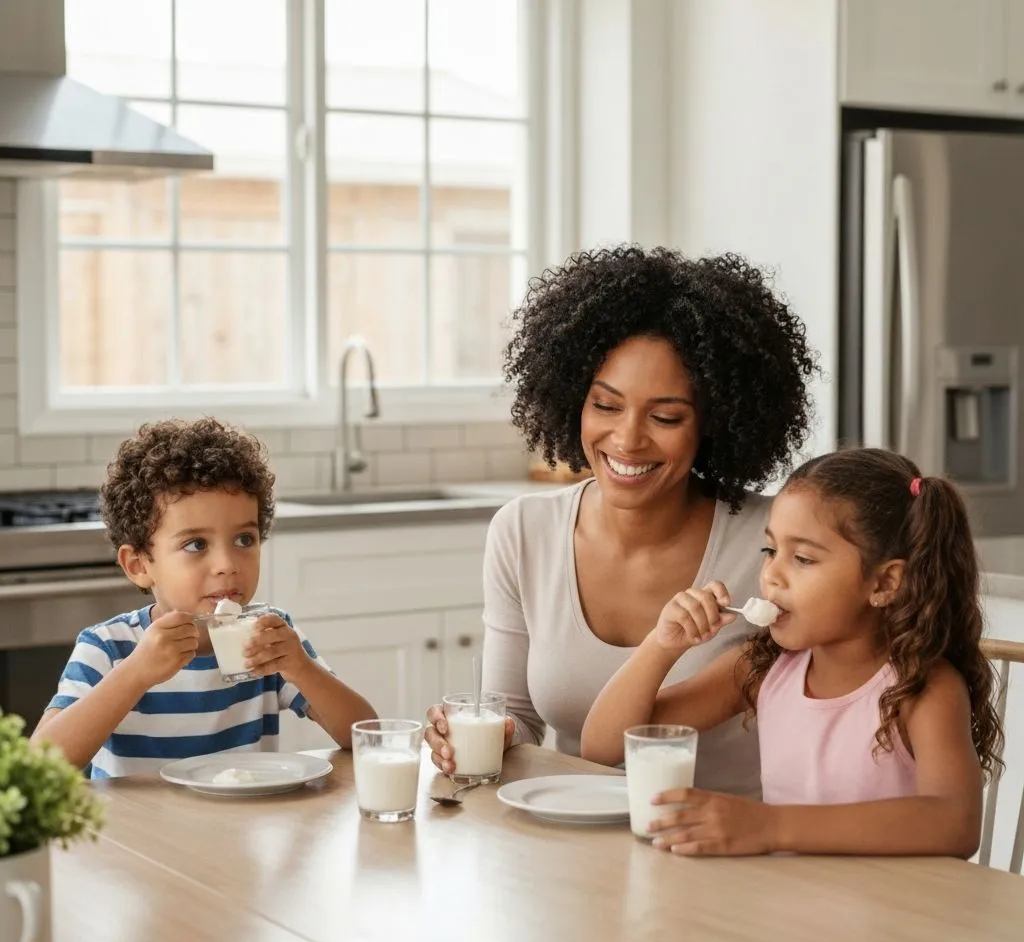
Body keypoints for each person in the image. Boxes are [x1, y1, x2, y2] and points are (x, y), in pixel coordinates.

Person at [425, 246, 819, 796]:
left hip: (723, 851)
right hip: (567, 833)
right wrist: (474, 731)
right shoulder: (522, 531)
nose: (628, 439)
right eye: (606, 406)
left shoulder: (776, 544)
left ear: (714, 422)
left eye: (665, 416)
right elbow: (517, 716)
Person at [580, 448, 1004, 857]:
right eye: (770, 551)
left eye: (802, 558)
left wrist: (770, 827)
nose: (772, 576)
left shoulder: (922, 688)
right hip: (789, 907)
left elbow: (956, 823)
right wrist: (661, 644)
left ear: (883, 584)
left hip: (893, 918)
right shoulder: (763, 669)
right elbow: (604, 746)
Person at [32, 417, 376, 778]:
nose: (227, 565)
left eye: (244, 540)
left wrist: (300, 667)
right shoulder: (109, 648)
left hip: (236, 831)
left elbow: (365, 736)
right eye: (196, 545)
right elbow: (40, 768)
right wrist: (134, 674)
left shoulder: (269, 637)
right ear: (138, 564)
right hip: (136, 834)